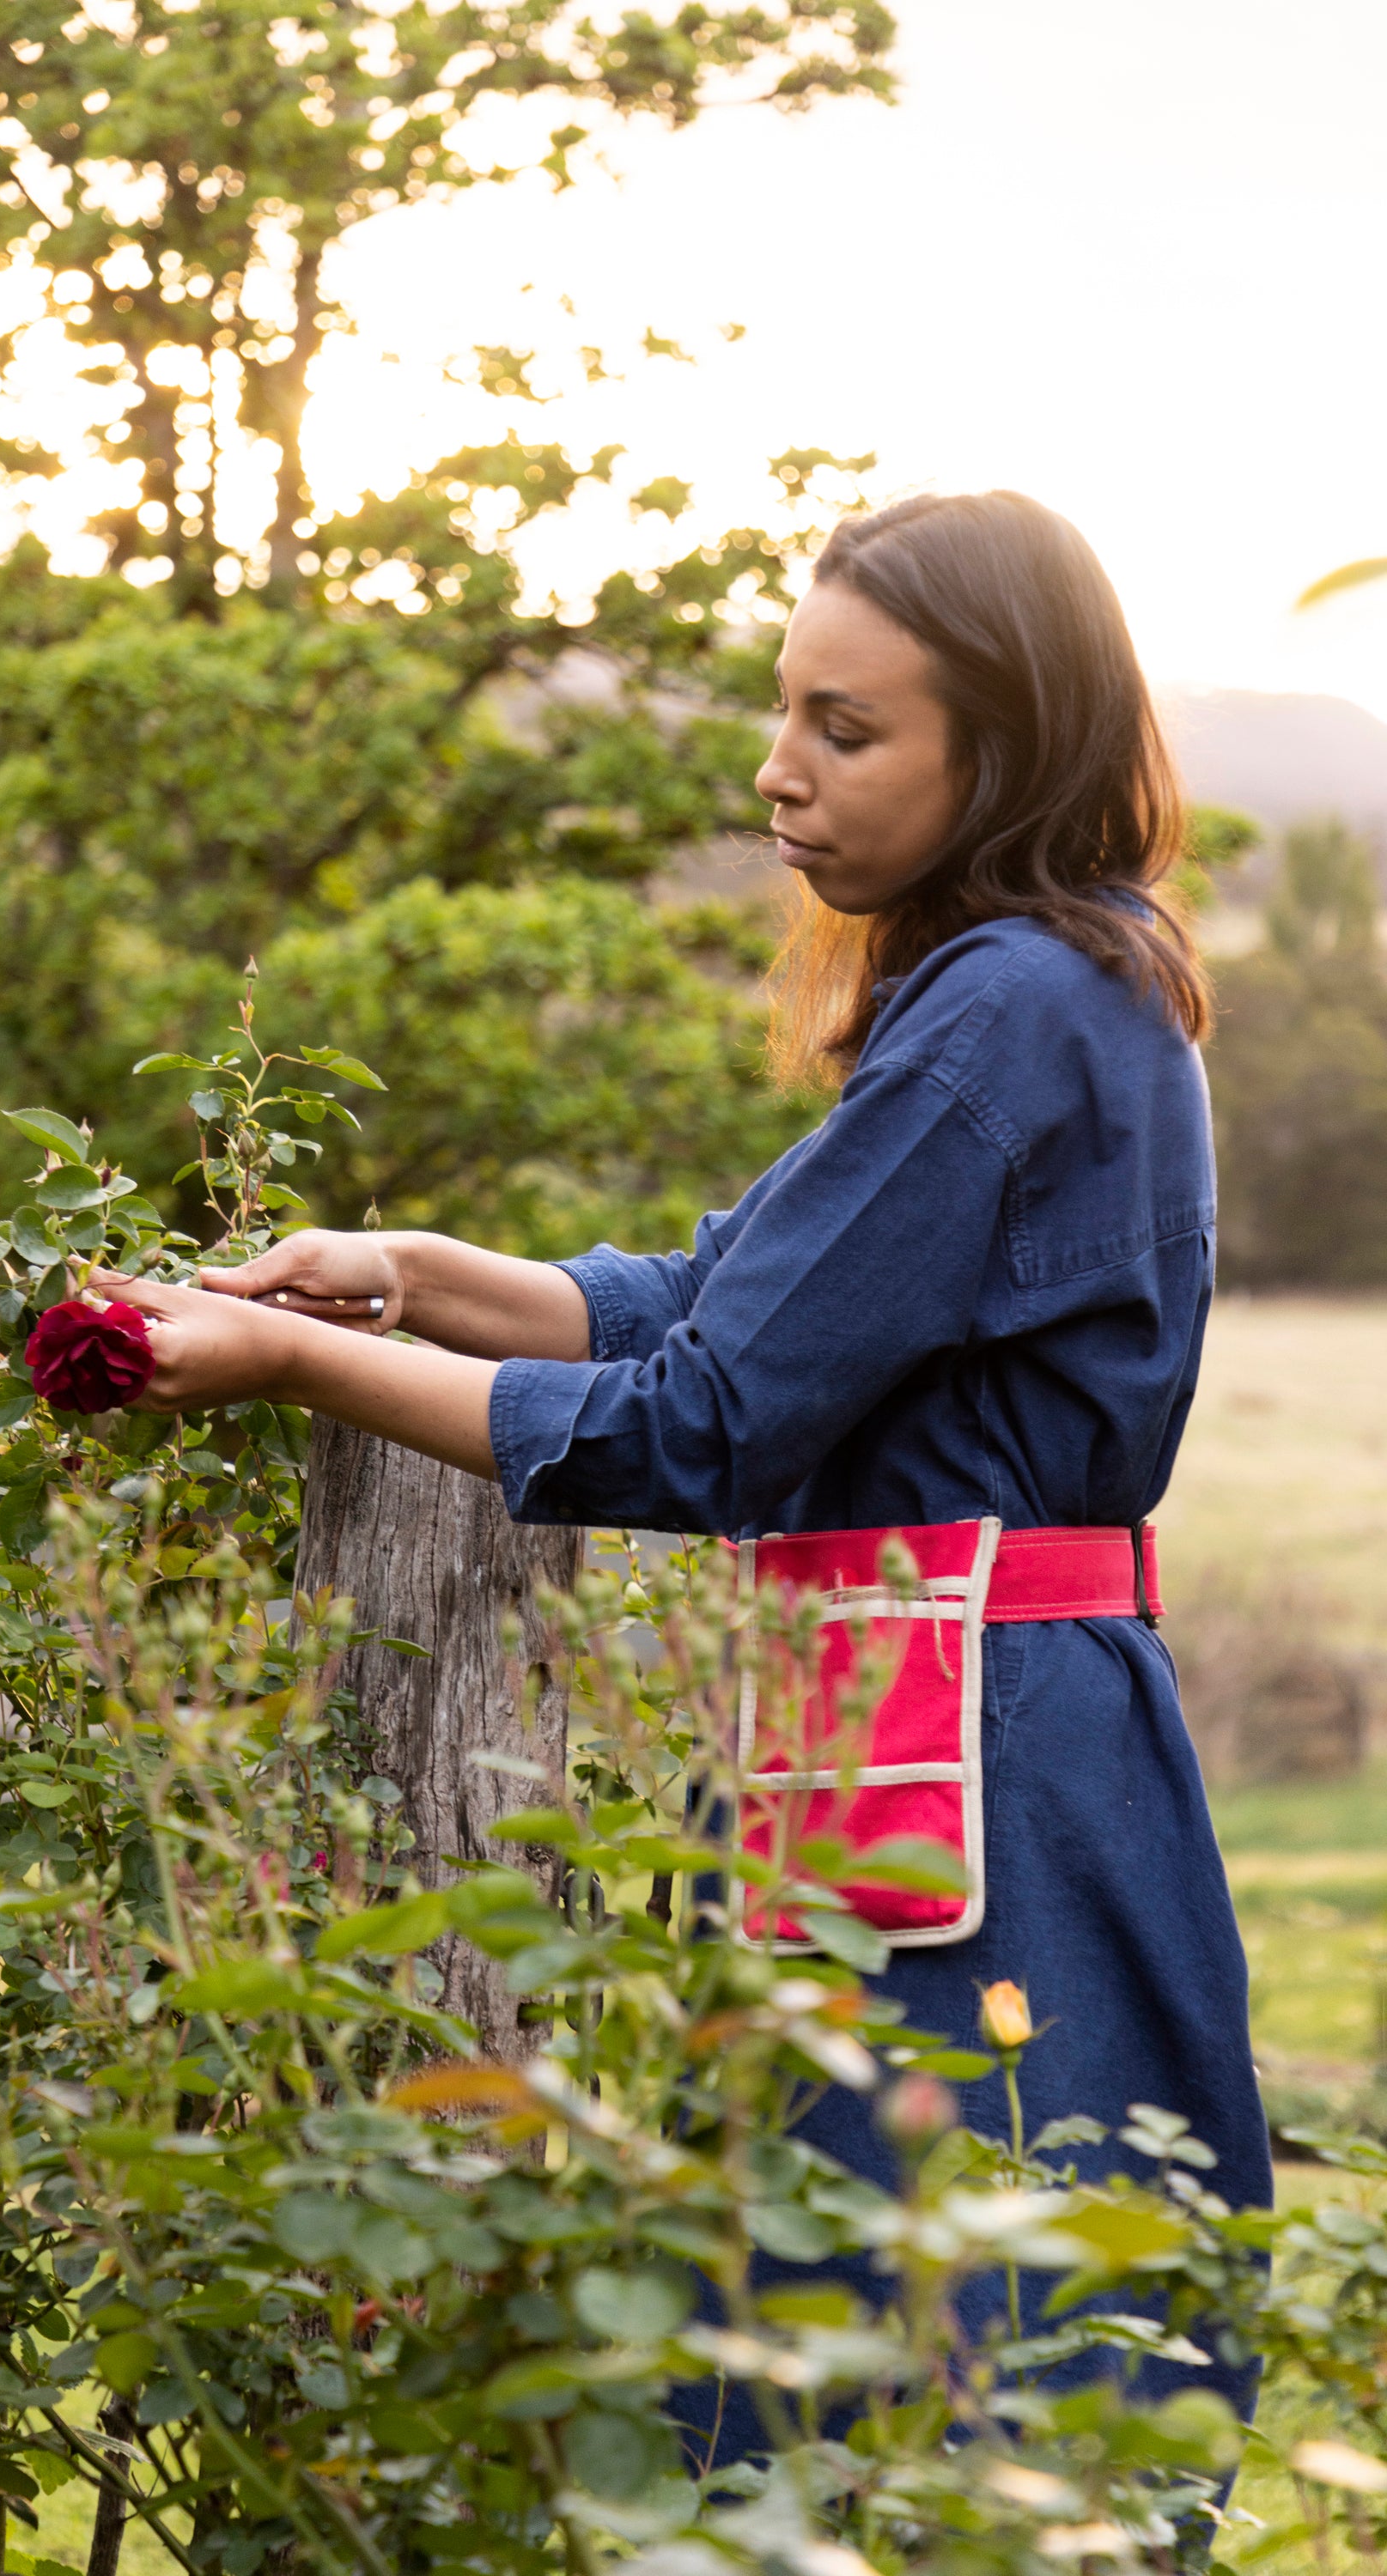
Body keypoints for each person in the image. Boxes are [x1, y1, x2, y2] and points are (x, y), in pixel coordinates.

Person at [105, 489, 1272, 2427]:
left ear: (1007, 743)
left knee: (942, 2339)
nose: (775, 772)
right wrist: (405, 1273)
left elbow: (708, 1420)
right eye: (786, 712)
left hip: (974, 1746)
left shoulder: (1007, 1012)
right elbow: (732, 1297)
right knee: (928, 2315)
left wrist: (293, 1362)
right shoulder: (1038, 984)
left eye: (846, 726)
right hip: (939, 1714)